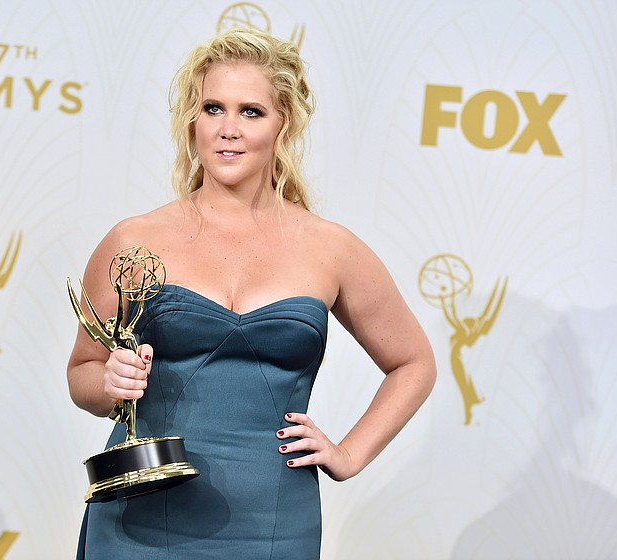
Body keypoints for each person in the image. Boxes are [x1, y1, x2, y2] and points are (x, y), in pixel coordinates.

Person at [67, 27, 436, 560]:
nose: (228, 130)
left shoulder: (330, 248)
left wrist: (349, 453)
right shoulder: (134, 239)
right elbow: (82, 372)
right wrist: (108, 382)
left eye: (251, 112)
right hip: (144, 513)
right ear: (191, 121)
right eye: (213, 108)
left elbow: (413, 362)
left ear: (283, 123)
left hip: (273, 520)